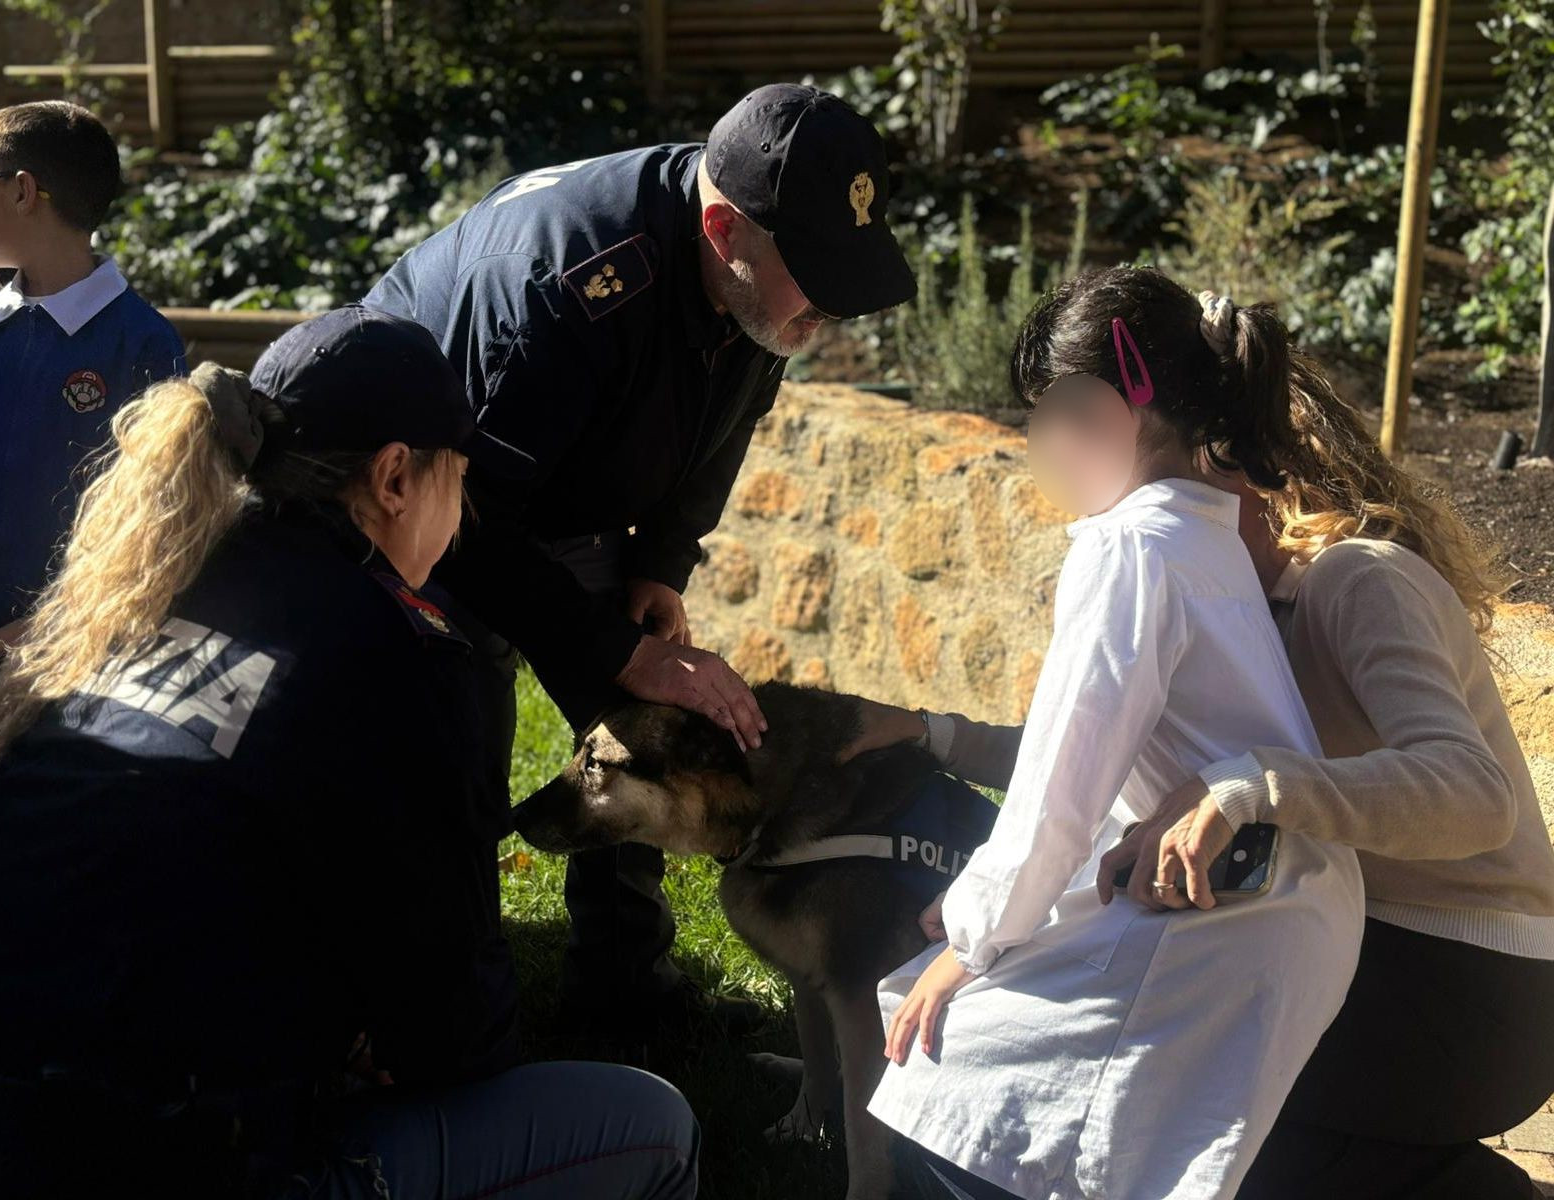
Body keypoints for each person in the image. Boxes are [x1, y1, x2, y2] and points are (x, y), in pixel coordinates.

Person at [847, 288, 1554, 1198]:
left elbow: (1470, 791)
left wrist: (1250, 785)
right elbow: (1091, 755)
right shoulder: (1223, 587)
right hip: (1360, 940)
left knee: (1170, 1092)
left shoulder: (1357, 581)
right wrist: (936, 734)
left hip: (1468, 982)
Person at [0, 307, 699, 1200]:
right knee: (648, 1127)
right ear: (395, 477)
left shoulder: (138, 586)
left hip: (24, 1116)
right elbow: (458, 1035)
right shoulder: (400, 652)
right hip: (167, 1157)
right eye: (461, 482)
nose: (463, 517)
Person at [364, 82, 917, 1042]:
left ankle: (624, 987)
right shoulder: (564, 287)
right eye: (817, 277)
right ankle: (440, 1012)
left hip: (548, 490)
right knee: (455, 747)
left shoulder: (757, 275)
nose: (829, 309)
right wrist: (618, 648)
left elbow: (727, 423)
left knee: (642, 737)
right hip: (419, 506)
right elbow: (471, 524)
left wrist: (660, 566)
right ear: (721, 227)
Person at [863, 267, 1365, 1200]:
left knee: (940, 1084)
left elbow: (1063, 778)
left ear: (1102, 407)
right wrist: (987, 908)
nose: (1031, 443)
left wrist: (970, 944)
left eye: (1040, 413)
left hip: (1223, 924)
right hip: (1277, 905)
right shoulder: (1202, 534)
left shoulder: (1130, 545)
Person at [0, 100, 185, 653]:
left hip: (72, 662)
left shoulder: (143, 344)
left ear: (23, 192)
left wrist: (46, 631)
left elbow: (156, 525)